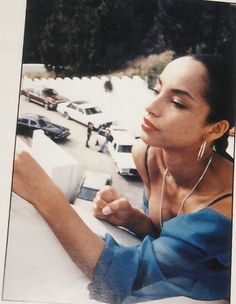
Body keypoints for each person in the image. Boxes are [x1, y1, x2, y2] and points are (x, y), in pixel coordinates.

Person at [13, 54, 234, 303]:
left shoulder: (225, 211)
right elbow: (165, 237)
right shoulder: (148, 155)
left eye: (176, 103)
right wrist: (134, 219)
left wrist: (41, 191)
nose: (151, 107)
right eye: (156, 90)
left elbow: (120, 279)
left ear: (215, 129)